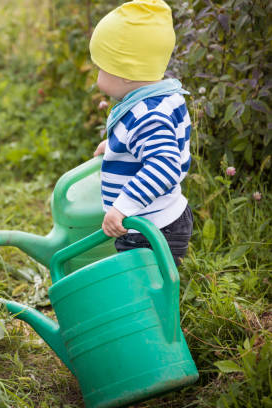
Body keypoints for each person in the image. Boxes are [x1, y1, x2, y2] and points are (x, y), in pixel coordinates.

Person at [89, 0, 193, 266]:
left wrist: (122, 207)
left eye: (102, 67)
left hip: (150, 229)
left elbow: (164, 165)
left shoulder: (147, 115)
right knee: (152, 284)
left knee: (144, 291)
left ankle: (155, 308)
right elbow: (145, 144)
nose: (97, 74)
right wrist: (115, 146)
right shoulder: (162, 97)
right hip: (159, 219)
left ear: (126, 73)